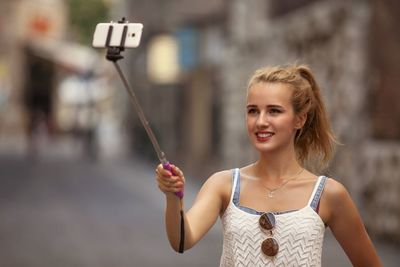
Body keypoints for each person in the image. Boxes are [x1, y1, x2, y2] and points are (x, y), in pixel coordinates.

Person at [155, 63, 382, 266]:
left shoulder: (329, 194)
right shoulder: (223, 184)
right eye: (253, 111)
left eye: (274, 111)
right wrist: (174, 196)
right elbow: (182, 240)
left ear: (299, 119)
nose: (261, 121)